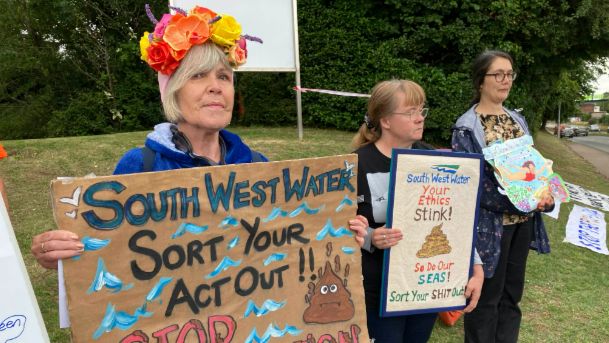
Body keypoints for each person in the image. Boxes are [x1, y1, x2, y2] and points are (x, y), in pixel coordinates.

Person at [31, 5, 266, 269]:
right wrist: (63, 253)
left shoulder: (259, 167)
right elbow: (108, 250)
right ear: (173, 91)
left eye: (224, 77)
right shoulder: (140, 167)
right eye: (198, 75)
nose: (216, 87)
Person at [348, 80, 484, 343]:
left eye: (421, 110)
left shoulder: (434, 159)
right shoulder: (357, 163)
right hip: (379, 290)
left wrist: (475, 268)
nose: (420, 118)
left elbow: (456, 217)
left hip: (425, 289)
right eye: (410, 112)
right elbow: (340, 223)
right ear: (385, 121)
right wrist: (371, 238)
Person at [451, 50, 554, 343]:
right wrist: (524, 200)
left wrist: (544, 194)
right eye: (498, 74)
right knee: (486, 301)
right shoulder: (467, 126)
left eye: (509, 74)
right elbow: (471, 185)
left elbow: (532, 168)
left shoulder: (517, 120)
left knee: (511, 297)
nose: (505, 80)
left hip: (522, 223)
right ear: (481, 81)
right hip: (490, 228)